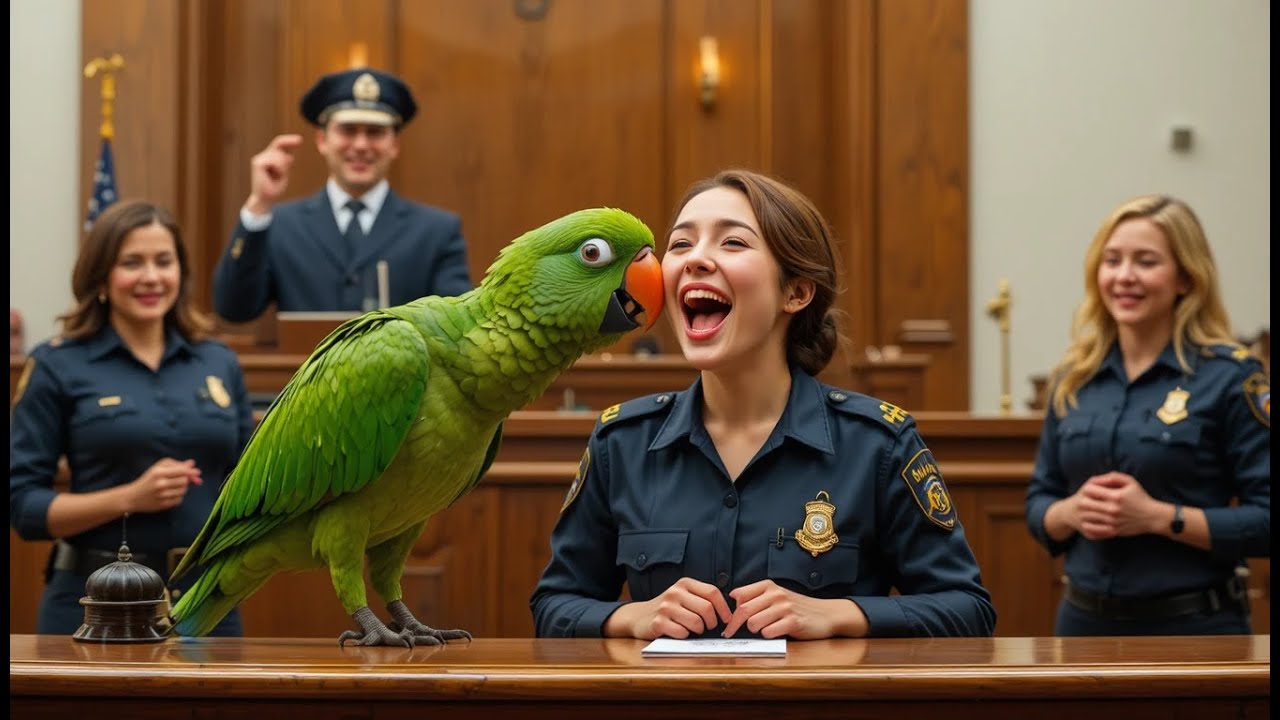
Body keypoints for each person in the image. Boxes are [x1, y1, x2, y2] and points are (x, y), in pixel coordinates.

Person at [531, 169, 995, 639]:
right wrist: (629, 616)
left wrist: (839, 615)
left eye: (732, 243)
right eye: (680, 244)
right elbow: (555, 605)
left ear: (795, 292)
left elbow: (967, 610)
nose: (696, 260)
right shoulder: (622, 442)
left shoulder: (878, 445)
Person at [1025, 194, 1270, 636]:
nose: (1124, 277)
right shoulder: (1073, 377)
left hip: (1195, 629)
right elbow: (1039, 502)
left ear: (1186, 279)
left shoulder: (1232, 378)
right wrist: (1072, 512)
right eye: (1112, 260)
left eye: (1146, 262)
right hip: (1082, 626)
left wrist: (1160, 517)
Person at [10, 201, 253, 636]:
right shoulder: (57, 364)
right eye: (131, 263)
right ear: (101, 276)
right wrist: (130, 497)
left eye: (164, 261)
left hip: (208, 603)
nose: (151, 277)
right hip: (95, 607)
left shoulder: (218, 362)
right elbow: (23, 508)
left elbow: (245, 482)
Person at [211, 66, 473, 323]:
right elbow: (233, 309)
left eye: (375, 132)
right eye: (348, 130)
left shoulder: (436, 231)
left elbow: (457, 326)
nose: (361, 145)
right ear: (322, 140)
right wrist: (259, 206)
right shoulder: (281, 225)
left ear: (395, 145)